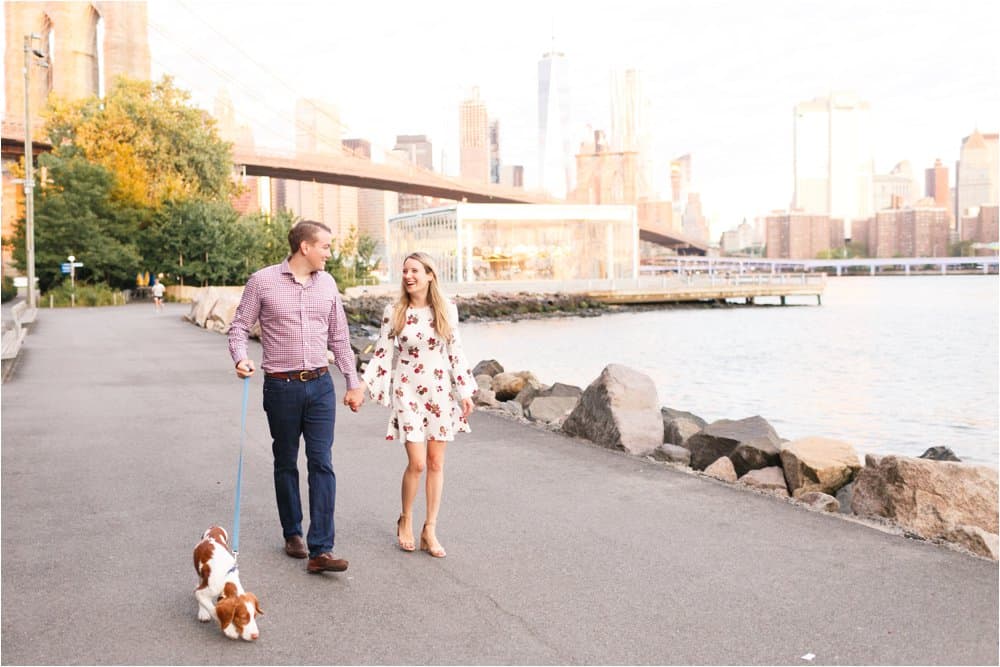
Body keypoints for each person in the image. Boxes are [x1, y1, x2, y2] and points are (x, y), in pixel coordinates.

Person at [228, 220, 364, 574]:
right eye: (326, 247)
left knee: (322, 462)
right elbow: (240, 326)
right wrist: (240, 357)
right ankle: (293, 533)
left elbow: (339, 337)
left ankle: (321, 549)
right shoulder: (263, 281)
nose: (329, 254)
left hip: (320, 385)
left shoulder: (328, 284)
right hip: (281, 386)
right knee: (286, 461)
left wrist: (352, 381)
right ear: (305, 247)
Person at [361, 252, 475, 558]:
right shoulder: (395, 311)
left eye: (414, 271)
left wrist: (465, 390)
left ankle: (430, 529)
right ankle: (406, 519)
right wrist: (364, 386)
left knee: (437, 463)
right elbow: (383, 355)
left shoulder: (447, 309)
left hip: (439, 391)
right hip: (408, 390)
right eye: (405, 271)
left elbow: (455, 352)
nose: (408, 276)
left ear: (429, 275)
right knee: (418, 463)